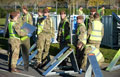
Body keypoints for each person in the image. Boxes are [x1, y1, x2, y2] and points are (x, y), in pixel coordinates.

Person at [21, 5, 33, 71]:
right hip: (22, 34)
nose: (22, 10)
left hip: (26, 34)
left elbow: (30, 24)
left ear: (25, 9)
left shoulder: (28, 15)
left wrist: (29, 33)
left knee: (26, 49)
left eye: (22, 9)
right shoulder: (23, 15)